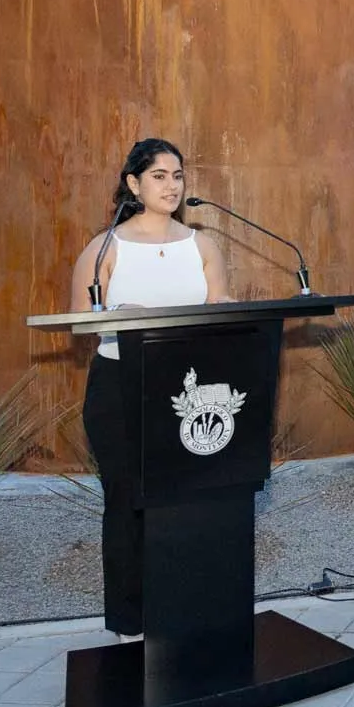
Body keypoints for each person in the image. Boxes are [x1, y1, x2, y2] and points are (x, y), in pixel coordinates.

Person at [67, 138, 229, 637]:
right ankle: (130, 619)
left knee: (187, 500)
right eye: (159, 175)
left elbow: (221, 301)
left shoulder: (202, 245)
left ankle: (183, 606)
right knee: (127, 500)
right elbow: (78, 321)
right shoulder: (103, 249)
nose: (172, 185)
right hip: (120, 385)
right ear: (134, 184)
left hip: (187, 391)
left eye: (178, 175)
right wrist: (117, 316)